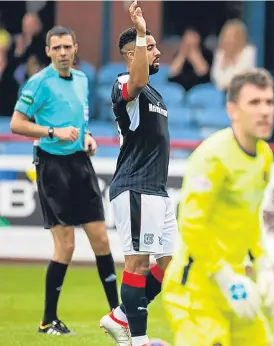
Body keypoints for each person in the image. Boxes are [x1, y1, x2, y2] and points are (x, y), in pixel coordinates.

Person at [9, 25, 119, 335]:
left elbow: (77, 119)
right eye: (56, 48)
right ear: (48, 52)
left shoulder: (82, 79)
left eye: (67, 47)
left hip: (79, 163)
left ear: (75, 48)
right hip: (52, 166)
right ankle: (48, 321)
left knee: (101, 239)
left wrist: (87, 136)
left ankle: (118, 315)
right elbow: (17, 123)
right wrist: (52, 132)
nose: (62, 53)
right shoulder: (38, 83)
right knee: (66, 245)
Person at [161, 68, 274, 346]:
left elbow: (251, 217)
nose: (265, 111)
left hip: (235, 285)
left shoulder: (264, 156)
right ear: (232, 110)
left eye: (269, 102)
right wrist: (224, 275)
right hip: (196, 287)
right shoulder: (212, 156)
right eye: (254, 103)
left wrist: (263, 265)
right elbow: (190, 224)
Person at [98, 2, 177, 346]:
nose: (157, 51)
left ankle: (119, 316)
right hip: (136, 186)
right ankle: (139, 339)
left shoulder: (155, 92)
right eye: (149, 47)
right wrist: (142, 30)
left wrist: (145, 36)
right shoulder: (124, 84)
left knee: (169, 261)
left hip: (157, 190)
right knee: (138, 263)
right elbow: (139, 77)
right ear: (132, 55)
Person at [210, 19, 256, 90]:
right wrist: (225, 63)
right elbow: (216, 78)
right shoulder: (220, 52)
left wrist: (231, 62)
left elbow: (239, 79)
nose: (228, 40)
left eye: (231, 36)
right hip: (221, 92)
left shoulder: (248, 52)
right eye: (226, 36)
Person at [167, 28, 213, 92]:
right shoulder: (179, 54)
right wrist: (182, 55)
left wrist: (194, 55)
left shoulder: (207, 53)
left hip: (199, 88)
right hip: (179, 89)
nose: (189, 41)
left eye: (192, 38)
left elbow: (203, 73)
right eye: (187, 38)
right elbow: (171, 73)